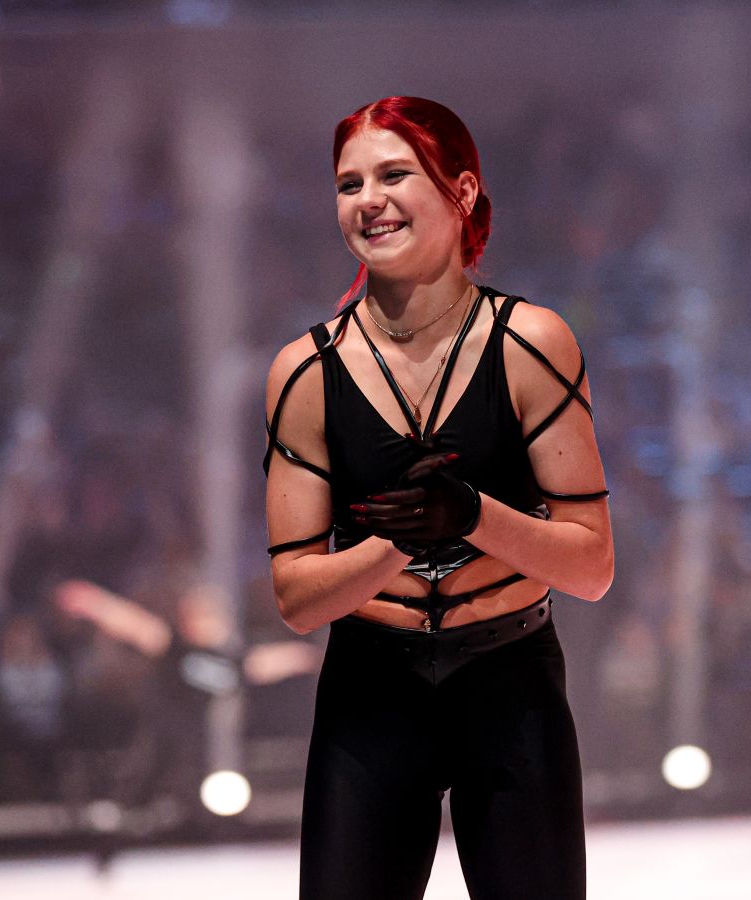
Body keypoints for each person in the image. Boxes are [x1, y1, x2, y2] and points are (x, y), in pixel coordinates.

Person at [263, 96, 614, 900]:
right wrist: (399, 542)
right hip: (370, 695)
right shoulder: (305, 373)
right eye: (349, 184)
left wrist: (473, 515)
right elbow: (297, 599)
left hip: (511, 681)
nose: (368, 200)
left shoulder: (531, 343)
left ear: (462, 190)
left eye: (393, 175)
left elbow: (593, 566)